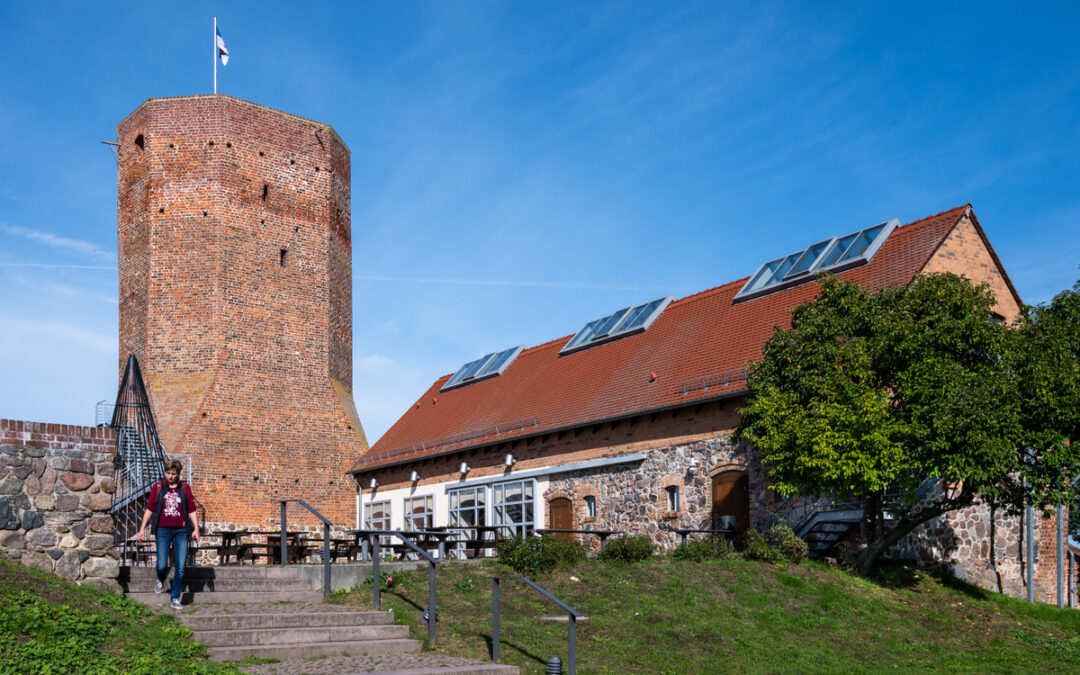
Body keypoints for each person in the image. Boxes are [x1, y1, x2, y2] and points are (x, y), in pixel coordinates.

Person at [136, 459, 200, 609]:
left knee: (180, 566)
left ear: (178, 474)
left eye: (173, 473)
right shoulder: (158, 487)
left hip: (181, 531)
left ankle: (175, 597)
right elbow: (149, 509)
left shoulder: (184, 488)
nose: (170, 476)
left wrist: (196, 529)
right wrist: (141, 529)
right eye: (168, 473)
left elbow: (191, 509)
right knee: (162, 564)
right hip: (162, 530)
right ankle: (160, 579)